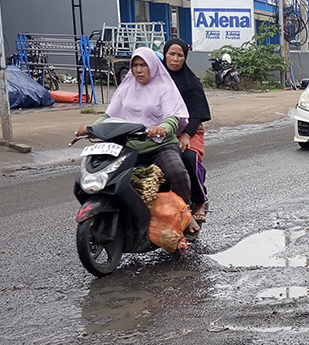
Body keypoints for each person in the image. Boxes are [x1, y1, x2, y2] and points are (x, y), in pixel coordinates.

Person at [75, 47, 197, 237]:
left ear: (153, 67)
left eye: (143, 65)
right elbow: (109, 115)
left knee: (177, 172)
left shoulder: (164, 87)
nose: (139, 70)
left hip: (159, 145)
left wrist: (162, 127)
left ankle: (186, 213)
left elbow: (173, 117)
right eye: (135, 65)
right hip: (129, 145)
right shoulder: (126, 87)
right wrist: (90, 127)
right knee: (109, 178)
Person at [162, 37, 211, 226]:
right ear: (165, 55)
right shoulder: (156, 80)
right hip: (162, 132)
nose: (175, 59)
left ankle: (199, 200)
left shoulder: (192, 83)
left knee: (189, 158)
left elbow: (198, 114)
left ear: (185, 58)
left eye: (179, 55)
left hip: (190, 131)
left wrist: (185, 134)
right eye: (171, 54)